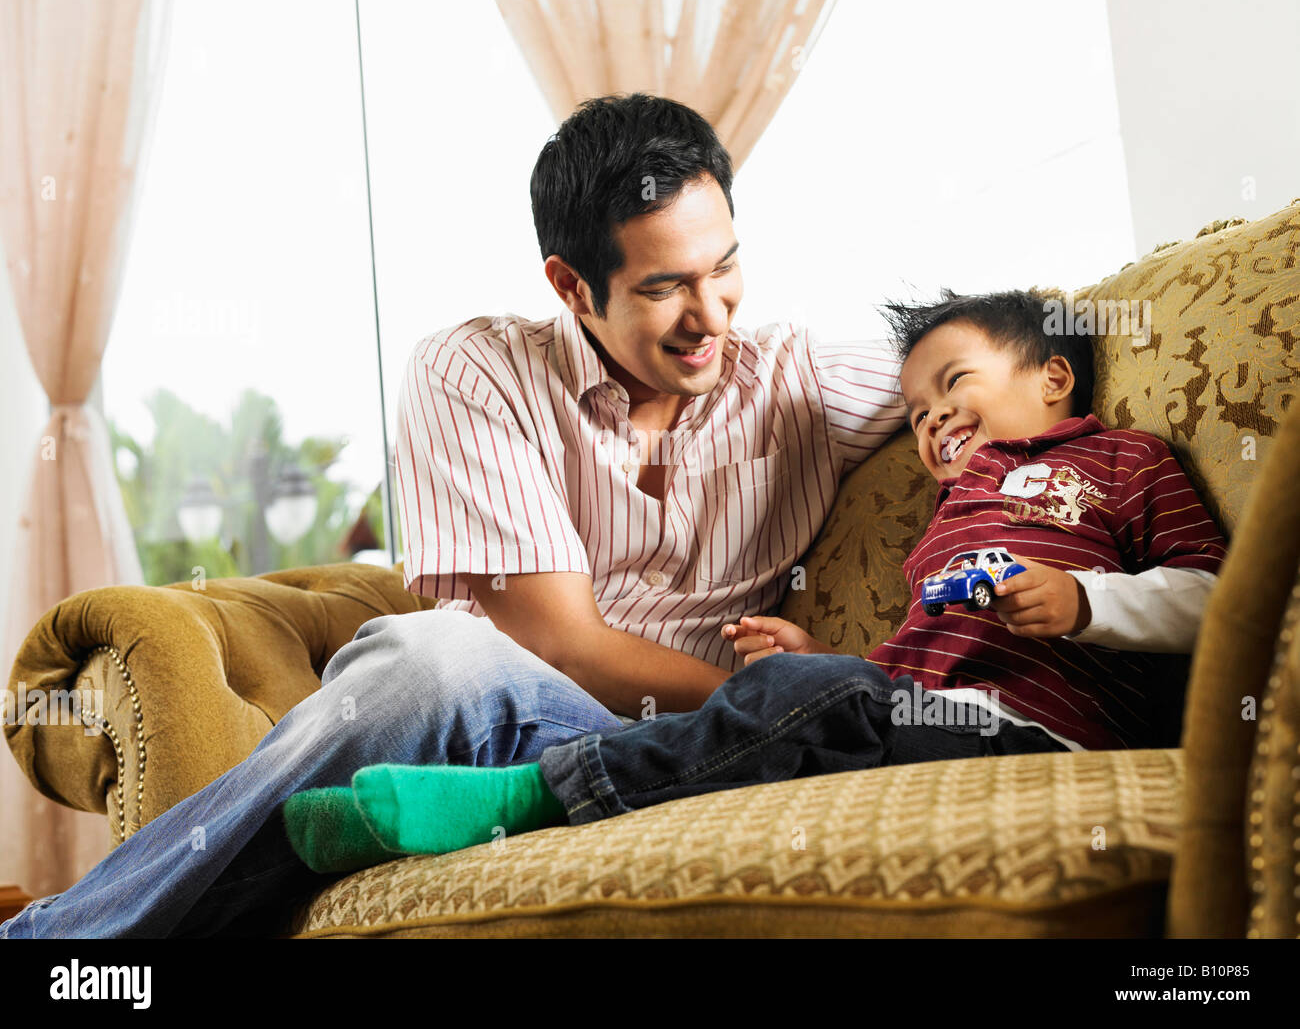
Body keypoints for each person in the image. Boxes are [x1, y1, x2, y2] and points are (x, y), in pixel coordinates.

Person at [0, 94, 907, 938]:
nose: (711, 315)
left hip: (703, 766)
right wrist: (784, 705)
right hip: (531, 724)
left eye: (726, 266)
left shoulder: (798, 379)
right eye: (666, 287)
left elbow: (1013, 356)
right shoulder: (474, 374)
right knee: (433, 656)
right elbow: (561, 648)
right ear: (572, 285)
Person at [279, 289, 1229, 868]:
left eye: (955, 383)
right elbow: (909, 666)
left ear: (1055, 377)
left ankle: (527, 797)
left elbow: (1221, 600)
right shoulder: (947, 517)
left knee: (821, 699)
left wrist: (1083, 601)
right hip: (928, 721)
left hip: (1045, 737)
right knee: (805, 689)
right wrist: (825, 658)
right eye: (916, 407)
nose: (932, 417)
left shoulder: (1124, 463)